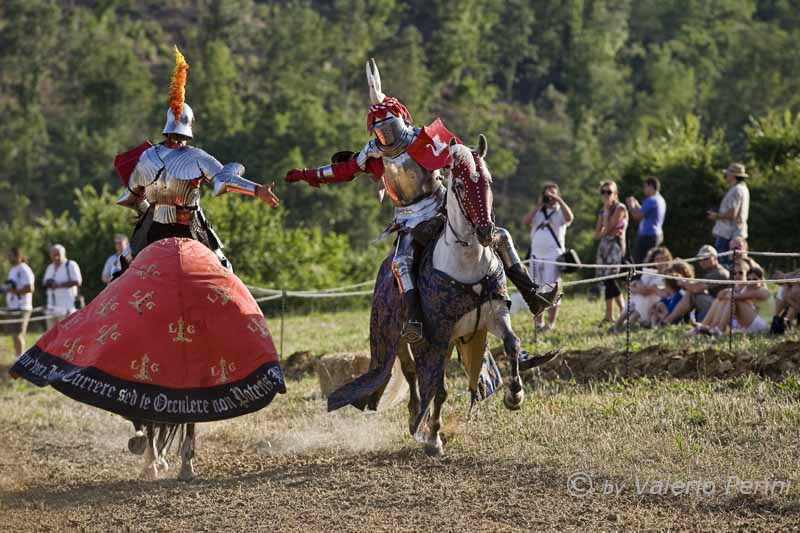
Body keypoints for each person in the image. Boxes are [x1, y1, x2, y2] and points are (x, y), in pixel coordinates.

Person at [10, 48, 286, 479]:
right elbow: (227, 181)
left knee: (119, 293)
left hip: (150, 236)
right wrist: (259, 191)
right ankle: (247, 355)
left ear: (165, 130)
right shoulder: (198, 158)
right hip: (189, 233)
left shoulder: (146, 159)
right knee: (225, 278)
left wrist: (147, 196)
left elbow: (131, 200)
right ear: (189, 131)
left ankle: (130, 405)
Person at [284, 58, 559, 343]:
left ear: (400, 119)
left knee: (499, 236)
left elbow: (458, 157)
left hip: (441, 209)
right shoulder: (374, 153)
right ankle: (414, 320)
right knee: (402, 262)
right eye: (380, 130)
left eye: (388, 127)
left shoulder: (424, 141)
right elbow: (344, 170)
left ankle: (532, 293)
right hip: (407, 220)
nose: (386, 135)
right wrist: (307, 174)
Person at [522, 182, 573, 330]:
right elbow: (525, 221)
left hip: (553, 255)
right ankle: (539, 323)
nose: (550, 197)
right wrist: (538, 205)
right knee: (536, 289)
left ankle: (551, 323)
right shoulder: (538, 211)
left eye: (553, 193)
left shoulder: (560, 211)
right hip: (536, 255)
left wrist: (559, 201)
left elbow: (570, 218)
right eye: (548, 194)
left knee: (552, 289)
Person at [688, 263, 771, 336]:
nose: (751, 282)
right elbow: (720, 296)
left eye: (754, 279)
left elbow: (734, 296)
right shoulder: (745, 289)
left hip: (764, 326)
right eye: (749, 279)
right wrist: (727, 292)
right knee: (721, 300)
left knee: (733, 299)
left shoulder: (762, 291)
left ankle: (719, 329)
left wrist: (728, 292)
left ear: (761, 280)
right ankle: (707, 327)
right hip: (751, 323)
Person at [662, 245, 730, 324]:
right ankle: (670, 320)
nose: (702, 261)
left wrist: (682, 281)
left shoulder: (719, 273)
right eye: (700, 259)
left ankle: (669, 320)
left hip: (721, 306)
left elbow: (695, 288)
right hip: (715, 304)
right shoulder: (710, 271)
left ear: (714, 258)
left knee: (691, 294)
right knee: (690, 293)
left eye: (705, 258)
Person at [610, 246, 672, 331]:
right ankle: (619, 325)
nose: (659, 262)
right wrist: (635, 287)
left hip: (658, 302)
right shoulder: (651, 273)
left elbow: (649, 291)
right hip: (645, 299)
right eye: (657, 259)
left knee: (640, 299)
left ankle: (621, 326)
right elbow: (641, 286)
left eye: (662, 259)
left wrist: (637, 289)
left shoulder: (668, 274)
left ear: (667, 259)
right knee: (637, 300)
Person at [594, 180, 628, 323]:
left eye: (609, 192)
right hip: (604, 247)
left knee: (611, 279)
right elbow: (596, 235)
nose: (606, 195)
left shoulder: (620, 208)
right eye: (603, 192)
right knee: (608, 281)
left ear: (615, 194)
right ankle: (621, 312)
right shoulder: (602, 211)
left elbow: (607, 228)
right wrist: (606, 226)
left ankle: (615, 313)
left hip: (616, 247)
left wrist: (607, 216)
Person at [708, 163, 750, 266]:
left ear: (733, 175)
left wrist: (716, 216)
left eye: (727, 174)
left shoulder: (736, 190)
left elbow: (733, 213)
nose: (726, 176)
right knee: (735, 265)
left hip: (728, 235)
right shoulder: (743, 189)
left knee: (725, 264)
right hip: (735, 234)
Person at [626, 176, 667, 265]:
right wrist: (637, 205)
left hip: (647, 237)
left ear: (651, 186)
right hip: (656, 235)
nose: (644, 189)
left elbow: (637, 216)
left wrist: (631, 205)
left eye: (645, 187)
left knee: (638, 262)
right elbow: (645, 213)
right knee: (650, 262)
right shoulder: (660, 199)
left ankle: (637, 279)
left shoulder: (651, 200)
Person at [4, 248, 35, 357]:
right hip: (13, 306)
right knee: (14, 334)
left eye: (11, 255)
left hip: (22, 306)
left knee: (18, 334)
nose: (9, 258)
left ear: (18, 256)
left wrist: (14, 291)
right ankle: (18, 356)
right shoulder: (13, 269)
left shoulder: (24, 269)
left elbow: (30, 288)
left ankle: (21, 359)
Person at [42, 244, 82, 328]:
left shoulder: (70, 265)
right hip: (51, 308)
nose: (55, 257)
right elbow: (44, 282)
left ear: (63, 254)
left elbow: (78, 281)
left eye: (58, 254)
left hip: (67, 307)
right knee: (51, 336)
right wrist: (50, 284)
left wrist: (59, 285)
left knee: (67, 334)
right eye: (53, 254)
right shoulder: (50, 267)